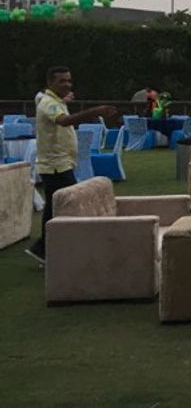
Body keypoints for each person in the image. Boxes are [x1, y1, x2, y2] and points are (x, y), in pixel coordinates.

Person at [26, 66, 118, 265]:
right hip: (56, 165)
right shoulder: (49, 103)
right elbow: (64, 121)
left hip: (61, 163)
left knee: (54, 206)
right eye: (62, 81)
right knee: (65, 205)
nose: (67, 84)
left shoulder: (53, 100)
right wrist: (96, 111)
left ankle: (45, 249)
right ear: (50, 83)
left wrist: (64, 100)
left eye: (69, 80)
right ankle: (48, 248)